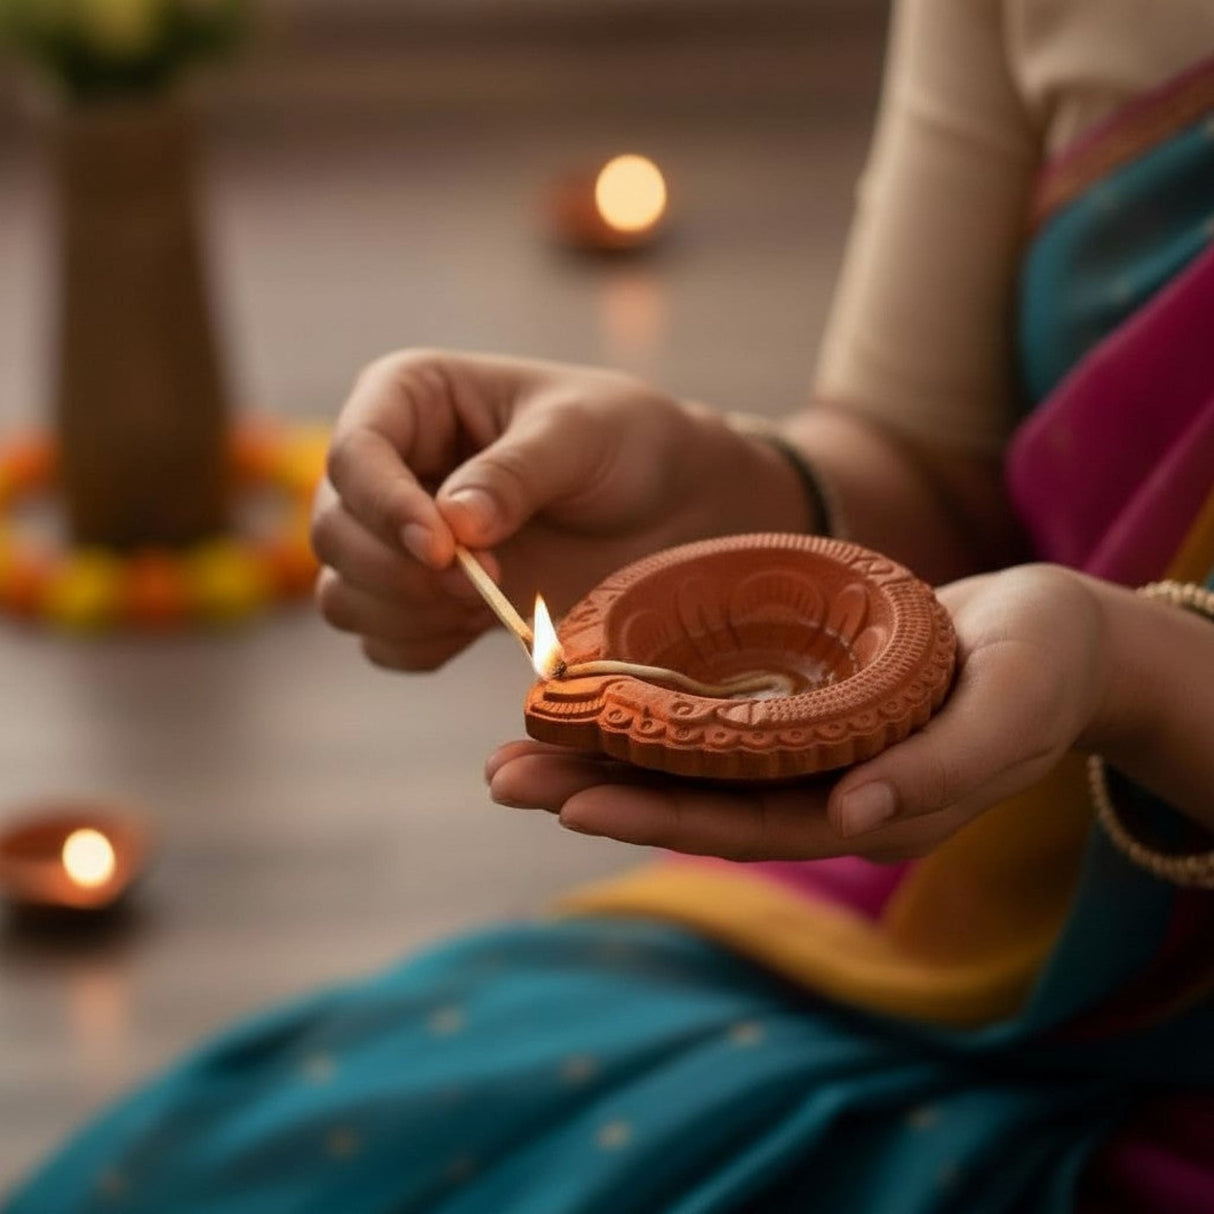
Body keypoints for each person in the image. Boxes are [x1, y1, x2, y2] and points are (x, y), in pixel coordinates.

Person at [9, 0, 1214, 1210]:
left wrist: (1140, 678)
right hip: (950, 928)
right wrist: (707, 485)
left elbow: (1065, 635)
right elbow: (937, 471)